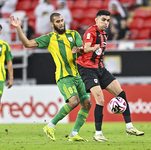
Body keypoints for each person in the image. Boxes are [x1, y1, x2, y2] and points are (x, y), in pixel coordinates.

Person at [10, 13, 91, 141]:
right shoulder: (49, 38)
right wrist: (18, 28)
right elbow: (27, 44)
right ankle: (50, 126)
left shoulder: (74, 34)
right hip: (64, 76)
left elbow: (83, 48)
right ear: (52, 24)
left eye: (62, 20)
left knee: (87, 103)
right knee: (74, 101)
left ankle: (74, 134)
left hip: (78, 75)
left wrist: (79, 49)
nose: (61, 23)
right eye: (58, 21)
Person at [74, 9, 144, 142]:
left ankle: (129, 127)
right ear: (96, 20)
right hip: (87, 69)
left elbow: (84, 49)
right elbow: (87, 47)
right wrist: (90, 48)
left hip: (100, 69)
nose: (106, 23)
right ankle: (98, 134)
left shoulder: (104, 34)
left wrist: (82, 49)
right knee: (100, 99)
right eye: (103, 20)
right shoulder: (91, 31)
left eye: (108, 20)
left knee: (121, 94)